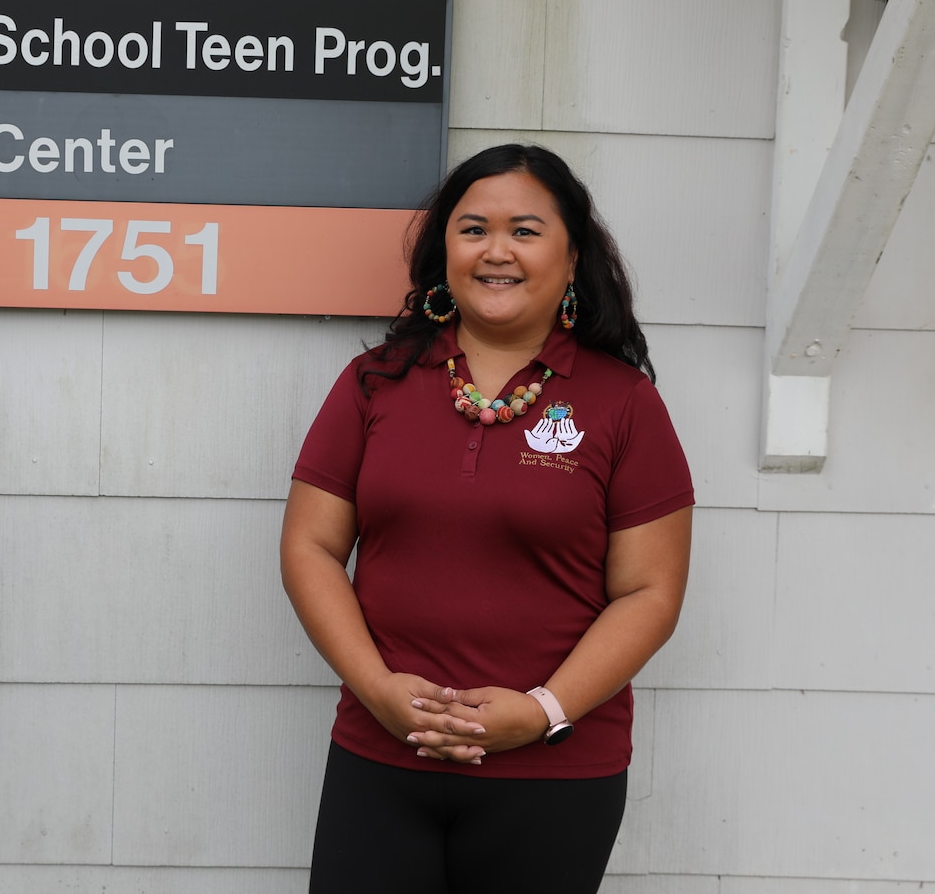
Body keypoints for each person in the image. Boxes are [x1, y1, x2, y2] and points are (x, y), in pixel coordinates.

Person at [281, 143, 692, 893]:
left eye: (526, 231)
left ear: (572, 259)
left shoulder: (623, 402)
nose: (496, 250)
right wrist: (377, 689)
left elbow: (650, 594)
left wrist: (541, 711)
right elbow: (309, 546)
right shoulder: (374, 382)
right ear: (446, 252)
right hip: (381, 759)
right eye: (473, 229)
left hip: (555, 772)